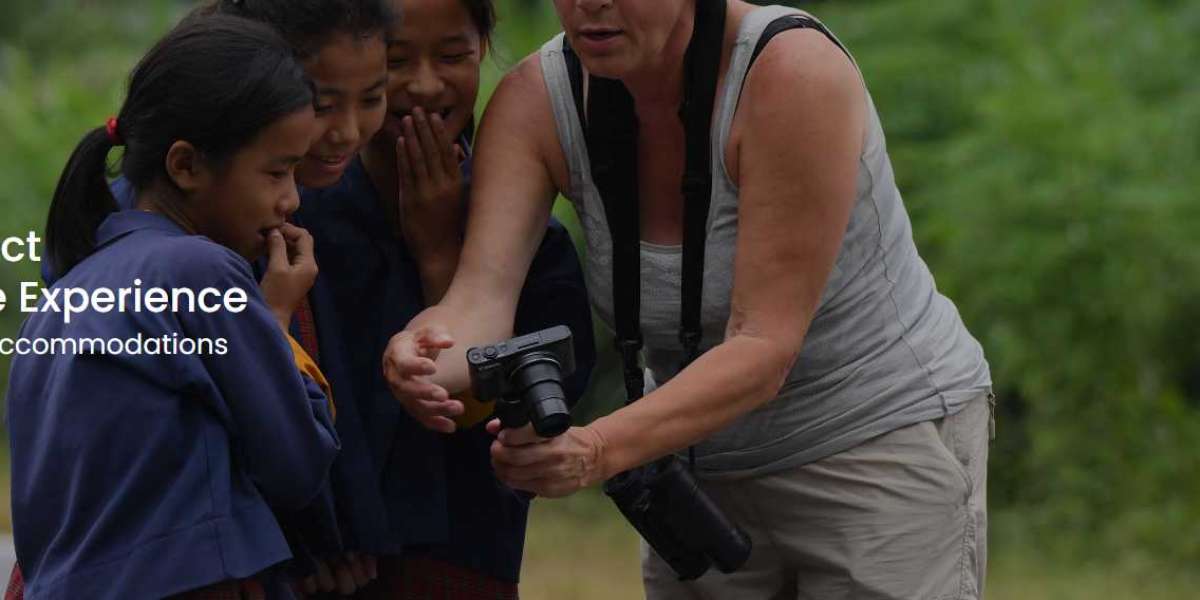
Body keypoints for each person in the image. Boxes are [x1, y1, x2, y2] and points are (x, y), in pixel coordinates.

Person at [383, 1, 994, 599]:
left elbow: (762, 347)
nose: (591, 6)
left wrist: (595, 449)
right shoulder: (536, 99)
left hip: (873, 439)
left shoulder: (790, 72)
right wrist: (423, 354)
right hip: (694, 462)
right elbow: (480, 299)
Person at [5, 15, 338, 600]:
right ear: (185, 165)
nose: (292, 200)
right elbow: (297, 465)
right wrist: (275, 318)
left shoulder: (57, 299)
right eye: (277, 171)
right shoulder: (199, 270)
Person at [293, 0, 596, 597]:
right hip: (316, 567)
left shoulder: (532, 239)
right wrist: (310, 534)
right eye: (396, 59)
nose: (426, 85)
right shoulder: (293, 221)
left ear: (483, 48)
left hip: (461, 560)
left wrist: (439, 258)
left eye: (453, 55)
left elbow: (532, 418)